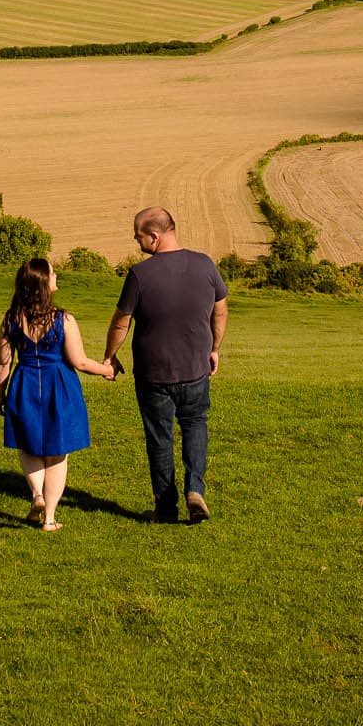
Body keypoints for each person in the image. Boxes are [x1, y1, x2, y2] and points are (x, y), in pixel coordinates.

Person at [104, 206, 227, 524]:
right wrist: (214, 348)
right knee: (195, 424)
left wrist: (110, 355)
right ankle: (195, 489)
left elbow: (122, 321)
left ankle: (166, 508)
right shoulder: (205, 264)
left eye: (138, 237)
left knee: (160, 437)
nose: (137, 242)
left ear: (154, 236)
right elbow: (221, 309)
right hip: (196, 369)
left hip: (153, 373)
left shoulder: (140, 274)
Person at [0, 256, 115, 531]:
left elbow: (3, 361)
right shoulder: (63, 319)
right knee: (58, 454)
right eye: (52, 273)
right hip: (58, 385)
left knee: (28, 445)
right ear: (43, 283)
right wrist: (106, 370)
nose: (56, 276)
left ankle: (37, 494)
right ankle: (49, 518)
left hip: (24, 383)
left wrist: (1, 394)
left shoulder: (11, 319)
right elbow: (79, 362)